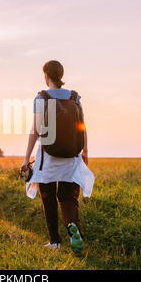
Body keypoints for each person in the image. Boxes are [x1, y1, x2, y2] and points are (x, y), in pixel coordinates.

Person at [22, 60, 94, 252]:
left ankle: (55, 241)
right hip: (71, 157)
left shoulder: (41, 98)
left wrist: (26, 157)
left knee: (49, 198)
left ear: (46, 75)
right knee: (68, 197)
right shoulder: (74, 97)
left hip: (48, 159)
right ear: (61, 75)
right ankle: (73, 226)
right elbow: (82, 126)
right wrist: (85, 151)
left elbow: (35, 130)